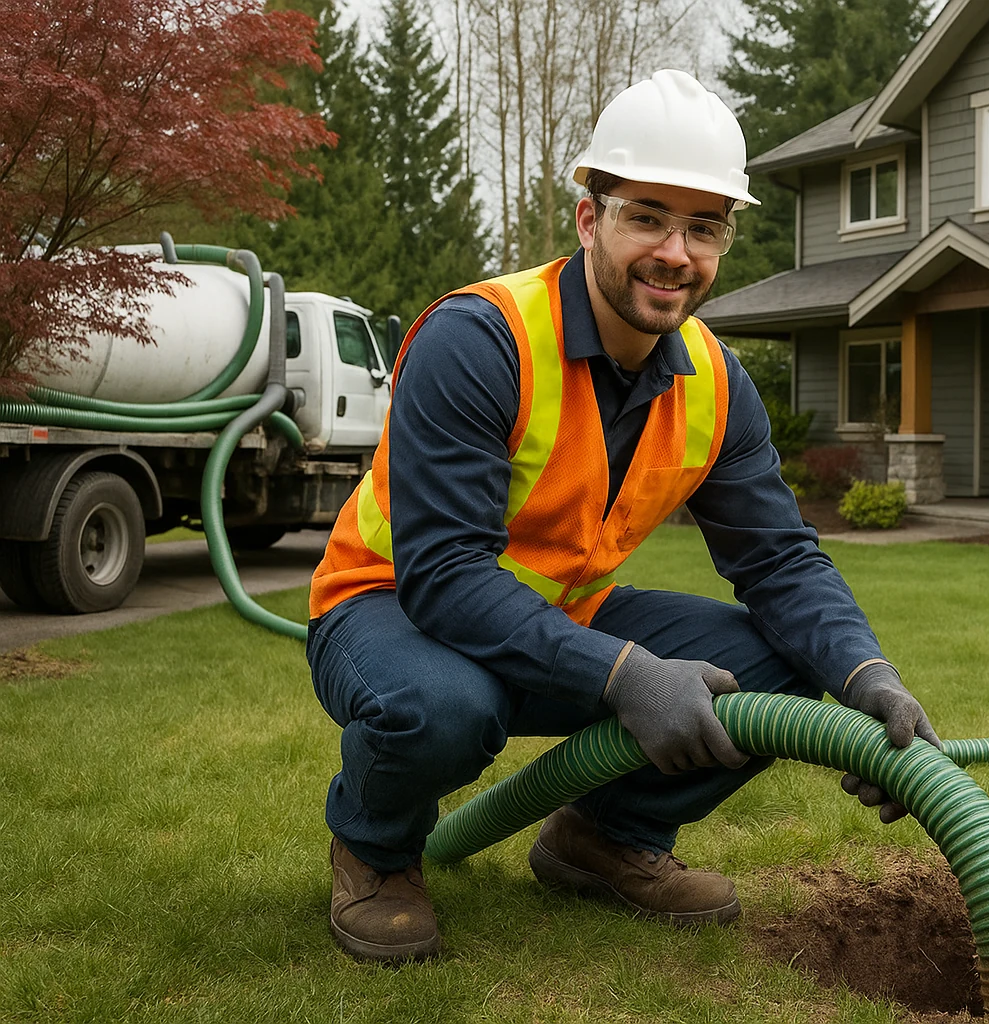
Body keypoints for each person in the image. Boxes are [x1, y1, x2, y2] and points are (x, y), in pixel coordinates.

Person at [306, 68, 941, 963]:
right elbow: (445, 575)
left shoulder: (716, 382)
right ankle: (375, 852)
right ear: (589, 218)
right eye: (648, 216)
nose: (676, 252)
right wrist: (624, 675)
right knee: (442, 704)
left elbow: (782, 563)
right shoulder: (479, 340)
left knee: (782, 669)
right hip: (391, 609)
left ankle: (602, 839)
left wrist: (867, 678)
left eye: (704, 227)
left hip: (563, 617)